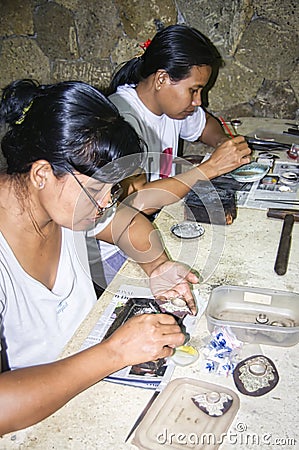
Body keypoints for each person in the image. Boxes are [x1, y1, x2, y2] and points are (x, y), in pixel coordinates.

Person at [0, 79, 198, 434]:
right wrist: (114, 353)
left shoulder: (63, 204)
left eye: (113, 188)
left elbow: (127, 223)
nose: (106, 202)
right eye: (96, 190)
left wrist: (158, 266)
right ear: (42, 173)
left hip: (86, 384)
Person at [97, 24, 252, 287]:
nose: (198, 101)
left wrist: (225, 145)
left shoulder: (174, 108)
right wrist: (209, 168)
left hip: (156, 222)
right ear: (162, 79)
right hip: (118, 247)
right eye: (194, 90)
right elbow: (135, 202)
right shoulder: (121, 121)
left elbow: (206, 126)